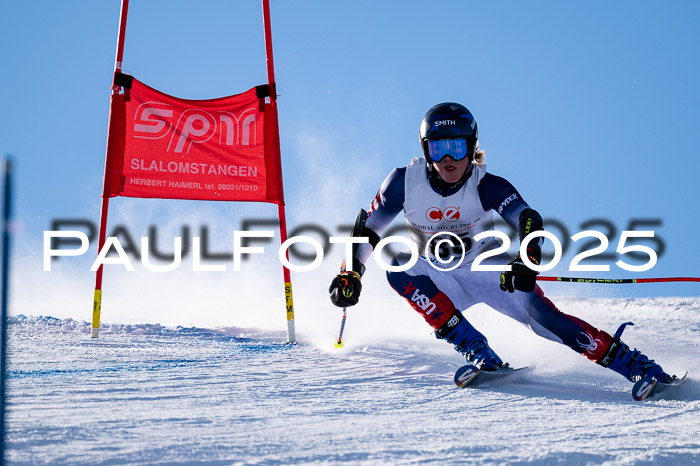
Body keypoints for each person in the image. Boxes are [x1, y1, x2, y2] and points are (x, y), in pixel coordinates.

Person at [329, 102, 676, 385]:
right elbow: (369, 230)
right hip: (439, 277)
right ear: (425, 149)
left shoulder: (486, 185)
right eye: (439, 148)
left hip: (488, 270)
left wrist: (526, 261)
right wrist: (351, 273)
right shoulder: (403, 182)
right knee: (396, 264)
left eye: (457, 146)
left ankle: (640, 369)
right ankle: (478, 351)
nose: (448, 159)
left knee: (546, 323)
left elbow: (528, 221)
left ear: (472, 146)